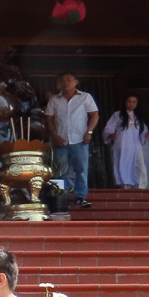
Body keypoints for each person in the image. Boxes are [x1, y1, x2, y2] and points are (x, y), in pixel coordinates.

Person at [44, 73, 98, 209]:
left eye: (69, 80)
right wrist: (54, 135)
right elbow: (48, 119)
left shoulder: (85, 97)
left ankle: (81, 197)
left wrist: (89, 132)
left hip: (80, 139)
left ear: (76, 82)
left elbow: (94, 115)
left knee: (81, 169)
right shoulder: (54, 100)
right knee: (58, 170)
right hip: (60, 140)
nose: (66, 83)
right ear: (59, 84)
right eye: (62, 80)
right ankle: (59, 198)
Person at [103, 94, 149, 189]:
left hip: (136, 146)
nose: (131, 104)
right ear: (125, 102)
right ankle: (125, 187)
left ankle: (141, 188)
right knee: (123, 166)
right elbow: (108, 128)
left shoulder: (138, 117)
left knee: (140, 167)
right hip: (122, 146)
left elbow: (142, 133)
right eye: (129, 101)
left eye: (134, 102)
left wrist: (146, 136)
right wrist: (110, 134)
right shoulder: (118, 115)